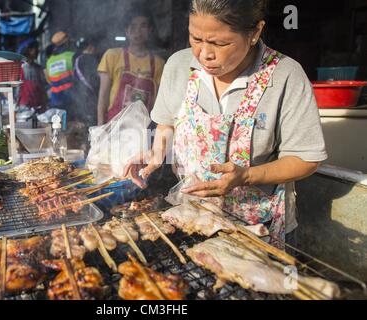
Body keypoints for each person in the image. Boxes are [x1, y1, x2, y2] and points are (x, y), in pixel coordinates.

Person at [124, 0, 327, 249]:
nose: (204, 54)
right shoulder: (179, 65)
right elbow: (167, 124)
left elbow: (306, 158)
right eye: (195, 38)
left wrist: (248, 175)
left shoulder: (285, 75)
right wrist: (157, 152)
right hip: (191, 220)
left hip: (258, 229)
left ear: (255, 33)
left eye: (220, 43)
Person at [96, 7, 165, 125]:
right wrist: (100, 130)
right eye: (133, 26)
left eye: (143, 26)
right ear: (126, 30)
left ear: (150, 30)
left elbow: (160, 105)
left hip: (144, 131)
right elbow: (103, 99)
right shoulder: (112, 56)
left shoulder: (159, 63)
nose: (137, 31)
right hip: (114, 128)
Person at [71, 35, 100, 127]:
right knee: (92, 124)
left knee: (84, 124)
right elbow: (95, 80)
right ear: (90, 47)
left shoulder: (76, 58)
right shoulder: (90, 59)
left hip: (79, 96)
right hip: (90, 97)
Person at [45, 31, 76, 108]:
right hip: (71, 99)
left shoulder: (49, 61)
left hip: (55, 99)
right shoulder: (71, 56)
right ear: (66, 43)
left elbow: (49, 80)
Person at [17, 38, 47, 114]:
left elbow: (43, 88)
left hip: (39, 107)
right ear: (28, 50)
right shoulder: (20, 68)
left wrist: (44, 104)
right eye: (35, 49)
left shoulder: (38, 68)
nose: (37, 51)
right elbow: (17, 89)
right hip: (25, 108)